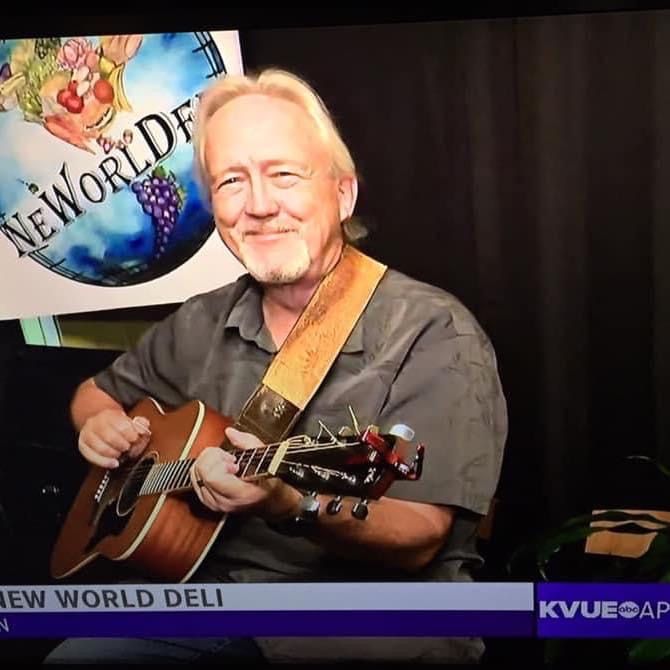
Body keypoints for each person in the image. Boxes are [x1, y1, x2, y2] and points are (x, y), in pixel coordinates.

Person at [44, 68, 508, 664]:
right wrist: (98, 424)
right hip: (211, 596)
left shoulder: (433, 331)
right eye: (232, 181)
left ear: (343, 194)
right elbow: (95, 393)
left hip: (373, 620)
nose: (259, 206)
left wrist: (289, 502)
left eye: (284, 174)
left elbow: (420, 533)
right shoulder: (200, 320)